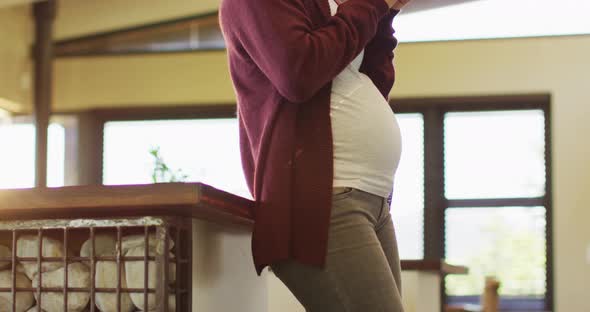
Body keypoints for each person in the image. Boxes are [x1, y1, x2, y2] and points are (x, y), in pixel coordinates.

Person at [220, 0, 410, 310]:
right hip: (323, 200)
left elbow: (375, 79)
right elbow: (299, 71)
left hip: (368, 199)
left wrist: (384, 14)